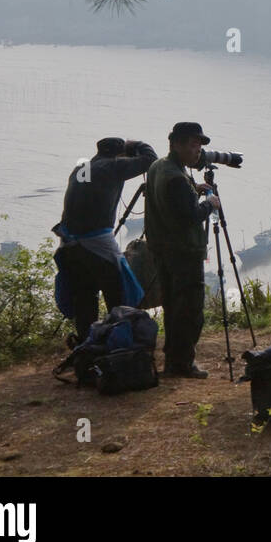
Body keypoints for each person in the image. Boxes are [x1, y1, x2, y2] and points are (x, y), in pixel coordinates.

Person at [53, 137, 157, 342]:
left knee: (85, 298)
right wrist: (136, 145)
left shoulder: (83, 168)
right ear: (120, 155)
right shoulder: (112, 166)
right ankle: (119, 344)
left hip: (70, 247)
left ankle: (86, 346)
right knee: (118, 299)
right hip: (95, 246)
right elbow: (150, 160)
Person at [145, 122, 221, 379]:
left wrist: (193, 190)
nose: (197, 150)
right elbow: (188, 217)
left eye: (199, 145)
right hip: (183, 252)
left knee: (172, 305)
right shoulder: (176, 177)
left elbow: (172, 204)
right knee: (189, 310)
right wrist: (209, 204)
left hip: (162, 248)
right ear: (175, 143)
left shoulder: (159, 167)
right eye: (192, 144)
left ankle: (173, 358)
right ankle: (182, 363)